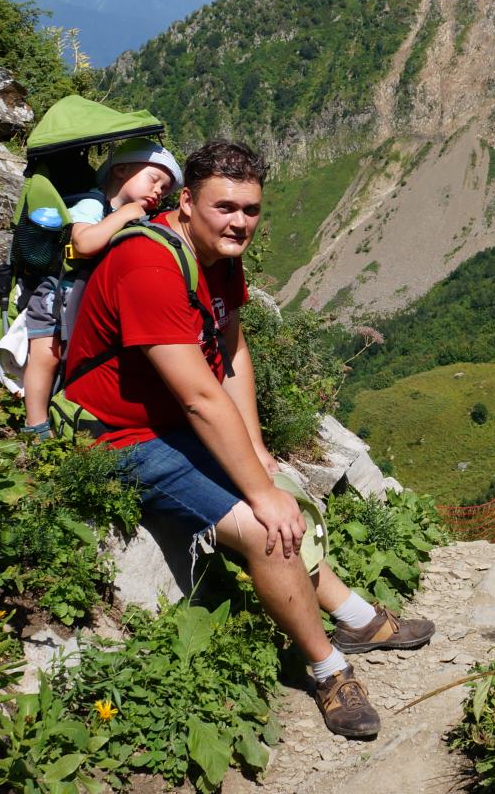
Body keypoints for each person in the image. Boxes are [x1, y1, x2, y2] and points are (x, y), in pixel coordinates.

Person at [63, 140, 432, 739]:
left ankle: (353, 616)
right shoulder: (148, 265)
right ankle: (329, 669)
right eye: (225, 207)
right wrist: (258, 492)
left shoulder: (218, 256)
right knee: (269, 529)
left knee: (282, 497)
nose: (239, 222)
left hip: (172, 422)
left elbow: (231, 350)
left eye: (251, 209)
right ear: (186, 202)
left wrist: (259, 454)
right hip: (119, 434)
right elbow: (200, 396)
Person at [21, 139, 184, 436]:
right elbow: (82, 243)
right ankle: (35, 424)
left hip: (87, 301)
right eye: (154, 179)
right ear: (121, 170)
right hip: (58, 296)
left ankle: (68, 414)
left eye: (165, 188)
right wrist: (124, 215)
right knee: (47, 354)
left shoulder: (136, 216)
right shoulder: (93, 204)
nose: (159, 191)